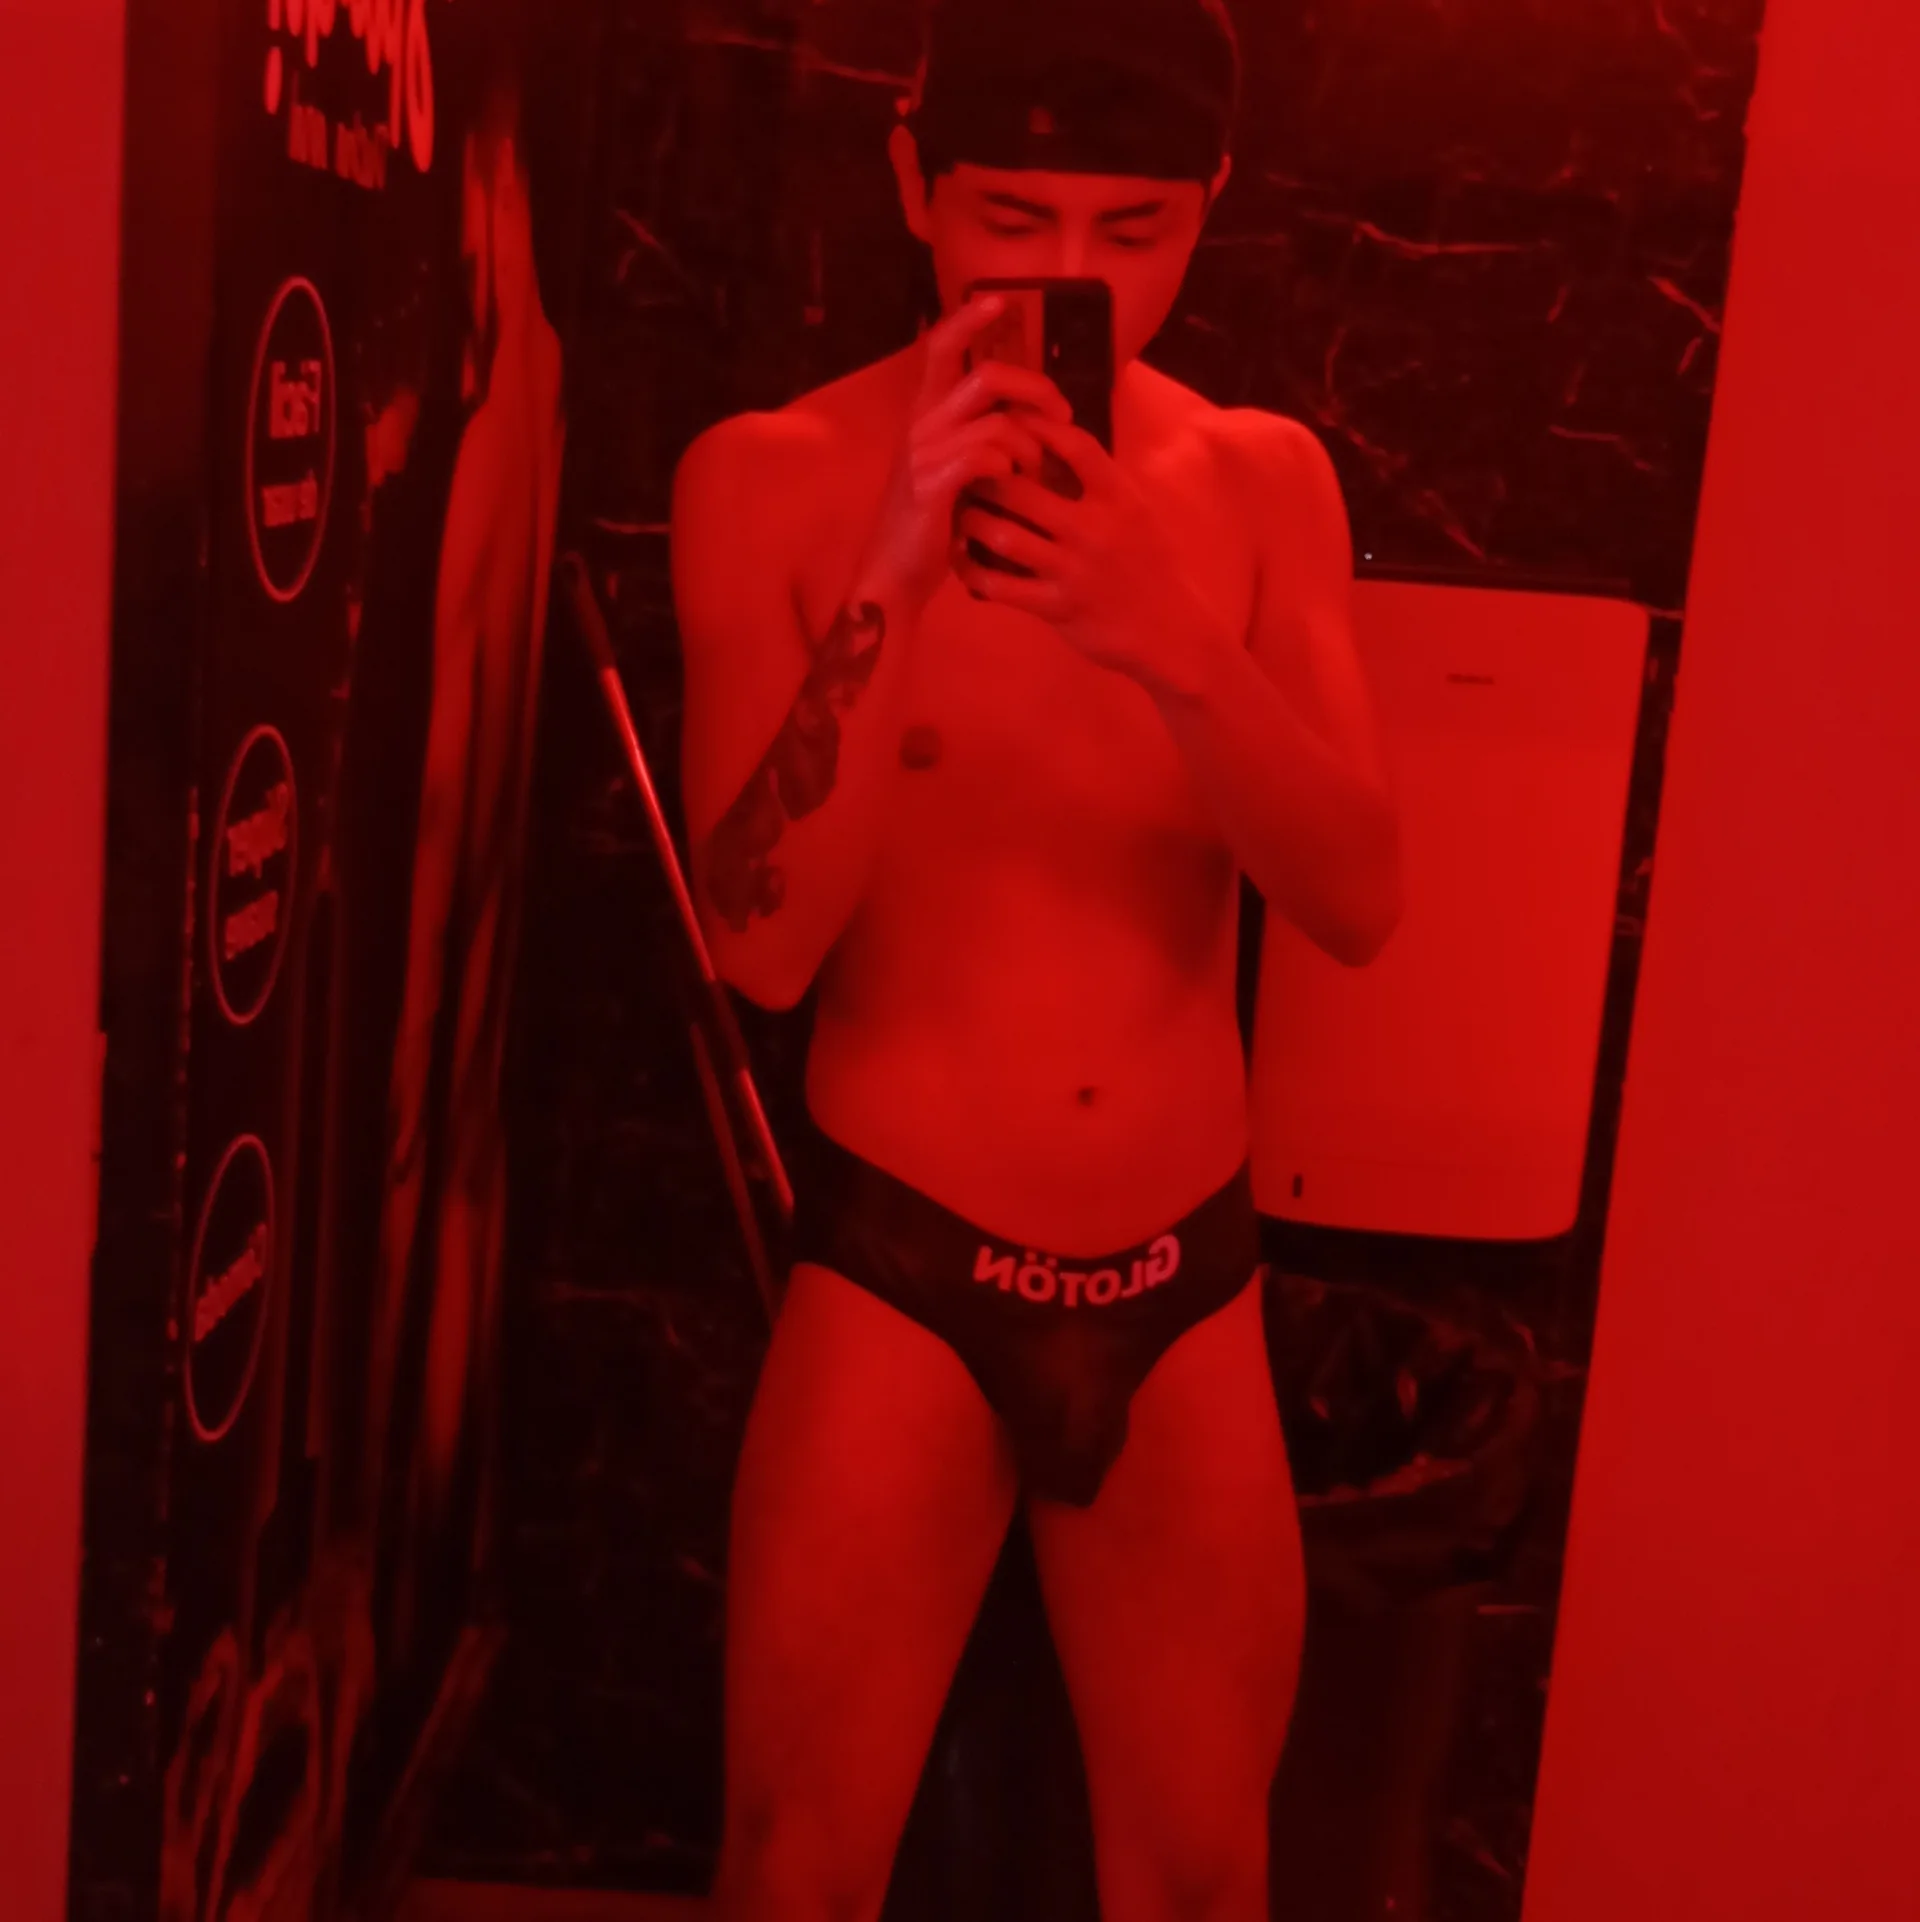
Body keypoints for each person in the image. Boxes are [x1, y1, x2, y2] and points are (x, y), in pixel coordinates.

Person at [670, 1, 1403, 1916]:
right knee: (793, 1869)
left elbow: (1357, 896)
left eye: (1134, 230)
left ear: (1211, 205)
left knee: (1202, 1874)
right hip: (905, 1258)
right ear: (914, 184)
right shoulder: (768, 477)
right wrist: (897, 572)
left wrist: (1176, 642)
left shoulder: (1261, 485)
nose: (1071, 275)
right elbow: (759, 948)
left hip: (1182, 1270)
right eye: (1013, 218)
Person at [365, 68, 567, 1673]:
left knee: (425, 1157)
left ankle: (394, 1575)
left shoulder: (509, 406)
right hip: (460, 879)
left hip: (450, 879)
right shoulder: (530, 388)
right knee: (450, 1160)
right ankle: (404, 1578)